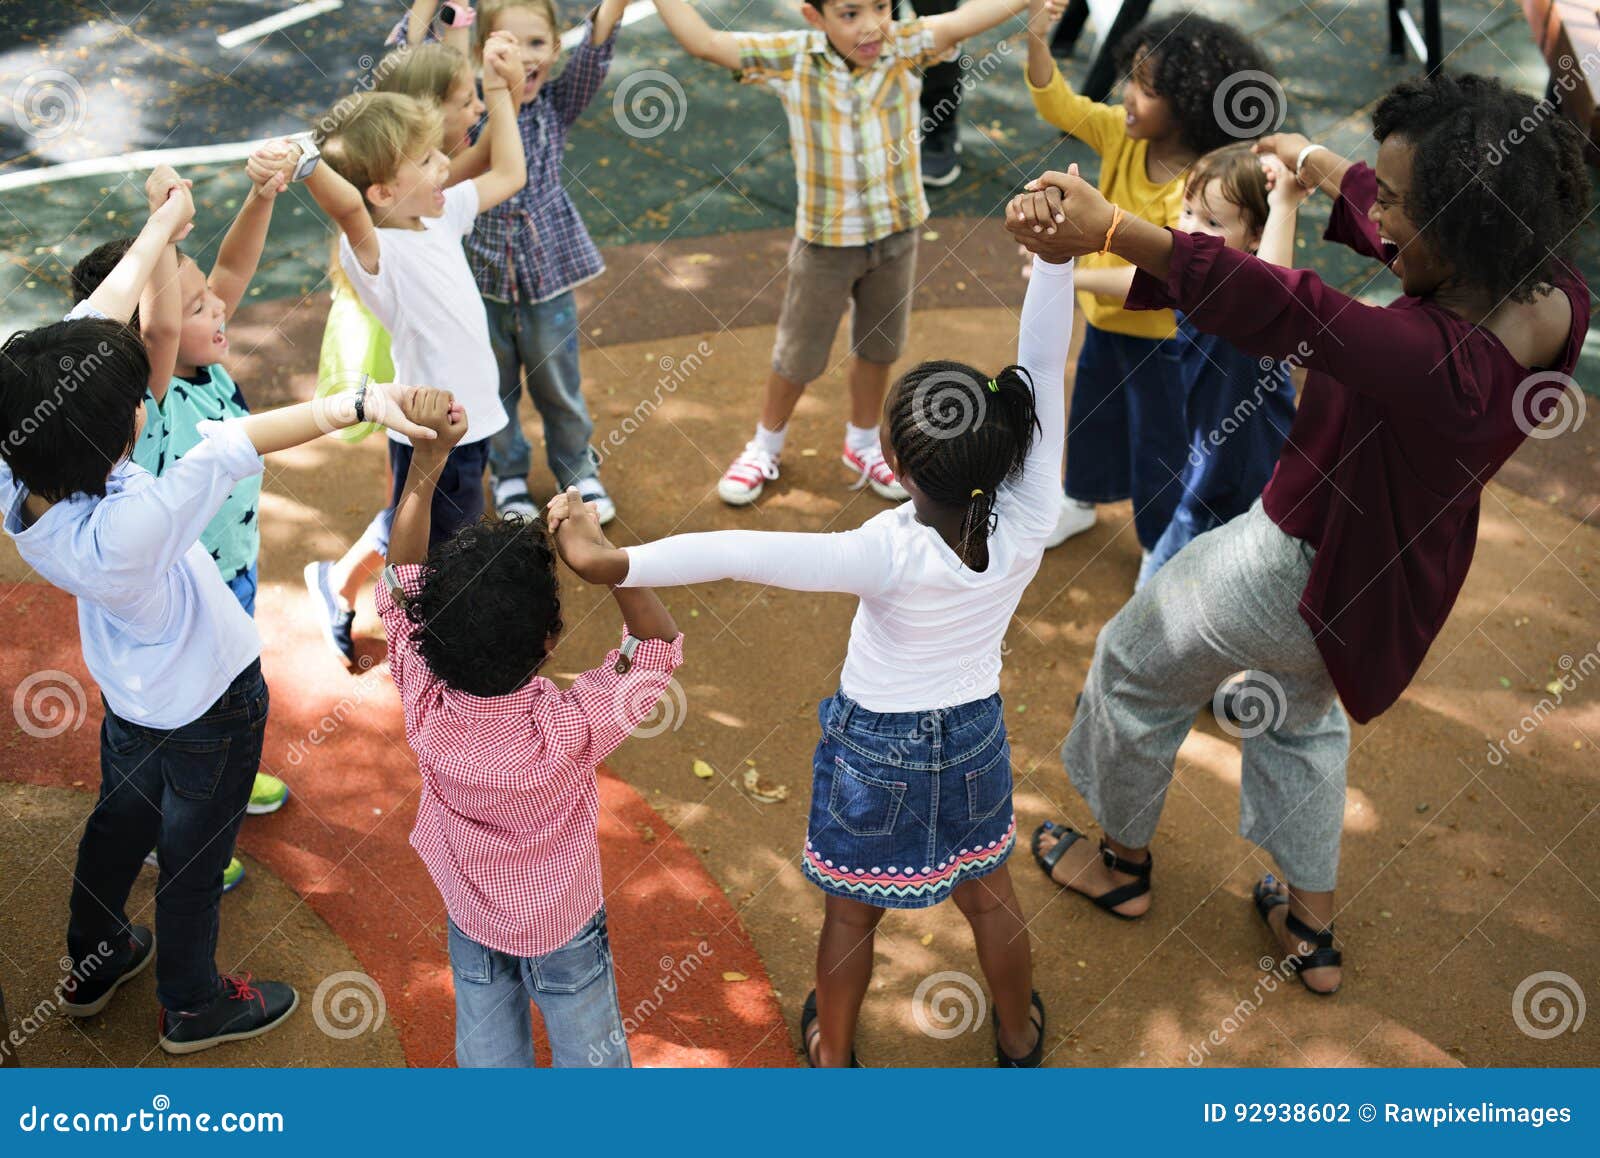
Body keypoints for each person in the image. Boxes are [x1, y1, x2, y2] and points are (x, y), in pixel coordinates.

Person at [1012, 72, 1591, 995]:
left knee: (1132, 661)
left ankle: (1121, 865)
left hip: (1291, 560)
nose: (1381, 212)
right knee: (1299, 720)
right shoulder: (1555, 294)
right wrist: (1321, 167)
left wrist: (1115, 230)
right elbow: (1410, 244)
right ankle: (1310, 929)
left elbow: (1293, 311)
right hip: (1394, 578)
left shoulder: (1426, 358)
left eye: (1399, 202)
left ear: (1461, 225)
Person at [546, 214, 1077, 1066]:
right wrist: (1054, 264)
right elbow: (1044, 365)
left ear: (898, 468)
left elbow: (736, 551)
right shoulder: (1033, 514)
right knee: (990, 893)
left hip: (878, 750)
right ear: (1007, 446)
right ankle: (1016, 1036)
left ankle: (833, 1057)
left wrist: (617, 562)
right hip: (974, 732)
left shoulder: (884, 551)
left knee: (850, 910)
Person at [0, 171, 439, 1051]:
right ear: (118, 431)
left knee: (120, 823)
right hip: (213, 703)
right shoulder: (139, 520)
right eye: (133, 401)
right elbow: (236, 440)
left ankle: (92, 964)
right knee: (196, 859)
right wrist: (365, 401)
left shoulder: (21, 460)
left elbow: (101, 323)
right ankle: (194, 1004)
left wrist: (164, 224)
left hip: (131, 699)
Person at [379, 394, 682, 1068]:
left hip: (471, 914)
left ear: (430, 636)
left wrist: (428, 463)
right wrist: (605, 559)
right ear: (549, 640)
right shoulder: (567, 727)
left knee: (488, 1056)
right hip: (564, 923)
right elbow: (654, 650)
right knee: (592, 1061)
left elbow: (400, 583)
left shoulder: (423, 695)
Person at [651, 0, 1031, 507]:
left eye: (881, 6)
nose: (871, 25)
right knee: (798, 356)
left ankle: (861, 443)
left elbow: (968, 18)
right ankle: (765, 444)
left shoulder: (903, 43)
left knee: (879, 348)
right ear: (815, 17)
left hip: (896, 234)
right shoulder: (794, 56)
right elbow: (704, 43)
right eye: (850, 13)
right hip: (826, 243)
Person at [69, 147, 304, 897]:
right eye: (197, 303)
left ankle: (215, 778)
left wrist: (262, 197)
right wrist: (163, 226)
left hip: (230, 567)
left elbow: (227, 273)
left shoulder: (210, 360)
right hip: (180, 593)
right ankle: (176, 834)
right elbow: (164, 324)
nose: (220, 307)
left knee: (226, 692)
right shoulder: (157, 391)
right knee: (179, 715)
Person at [304, 32, 525, 666]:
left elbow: (510, 171)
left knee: (425, 525)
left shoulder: (440, 215)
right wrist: (305, 162)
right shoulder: (374, 250)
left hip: (467, 421)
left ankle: (339, 584)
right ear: (379, 193)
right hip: (432, 432)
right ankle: (440, 652)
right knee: (442, 546)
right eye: (427, 161)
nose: (446, 167)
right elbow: (345, 204)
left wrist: (503, 90)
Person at [1024, 8, 1273, 557]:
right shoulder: (1119, 134)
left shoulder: (1201, 187)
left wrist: (1072, 273)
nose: (1128, 96)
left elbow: (1159, 271)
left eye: (1147, 88)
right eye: (1130, 78)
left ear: (1189, 102)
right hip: (1107, 325)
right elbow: (1057, 104)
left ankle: (1162, 544)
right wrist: (1037, 39)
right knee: (1092, 414)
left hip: (1163, 342)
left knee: (1159, 444)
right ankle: (1080, 498)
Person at [1063, 142, 1306, 589]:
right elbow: (1140, 278)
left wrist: (1284, 201)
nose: (1192, 228)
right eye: (1188, 211)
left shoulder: (1245, 293)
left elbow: (1273, 291)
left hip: (1242, 483)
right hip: (1208, 472)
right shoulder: (1198, 279)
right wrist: (1070, 277)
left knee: (1159, 609)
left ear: (1255, 237)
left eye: (1213, 222)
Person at [466, 0, 632, 526]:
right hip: (481, 281)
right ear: (483, 51)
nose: (524, 58)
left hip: (547, 279)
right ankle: (508, 473)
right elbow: (426, 56)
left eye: (537, 43)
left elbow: (596, 53)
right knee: (494, 386)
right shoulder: (469, 112)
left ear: (556, 49)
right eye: (507, 44)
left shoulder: (556, 106)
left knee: (558, 384)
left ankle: (576, 470)